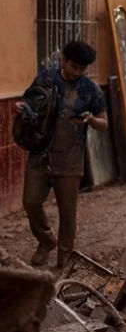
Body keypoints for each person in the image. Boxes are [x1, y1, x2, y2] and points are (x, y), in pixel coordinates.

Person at [14, 41, 108, 268]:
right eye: (74, 66)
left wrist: (91, 120)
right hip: (41, 153)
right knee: (31, 202)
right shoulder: (45, 79)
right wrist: (21, 108)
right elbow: (29, 103)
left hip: (70, 158)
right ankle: (46, 240)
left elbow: (103, 123)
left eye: (82, 69)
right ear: (63, 59)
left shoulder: (90, 89)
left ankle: (65, 257)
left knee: (68, 212)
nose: (77, 72)